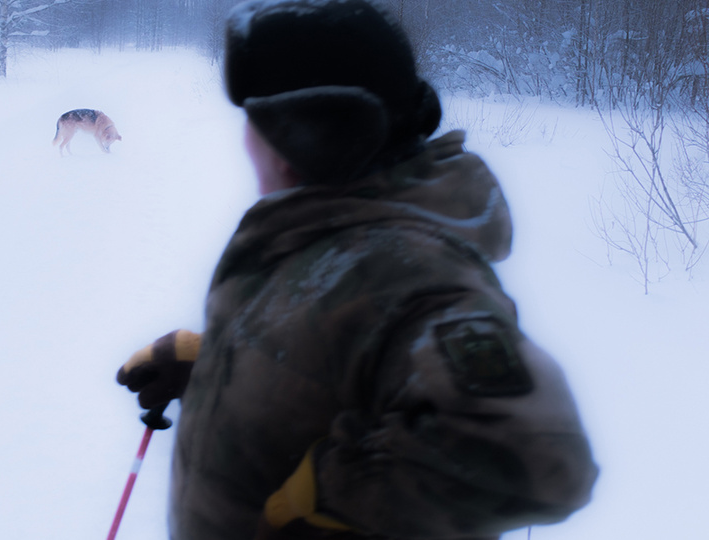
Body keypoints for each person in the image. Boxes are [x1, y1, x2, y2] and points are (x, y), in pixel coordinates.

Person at [116, 1, 598, 539]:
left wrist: (329, 504)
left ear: (305, 136)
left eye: (255, 123)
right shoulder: (334, 236)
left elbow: (533, 455)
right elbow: (337, 354)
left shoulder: (409, 272)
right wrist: (218, 363)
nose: (246, 142)